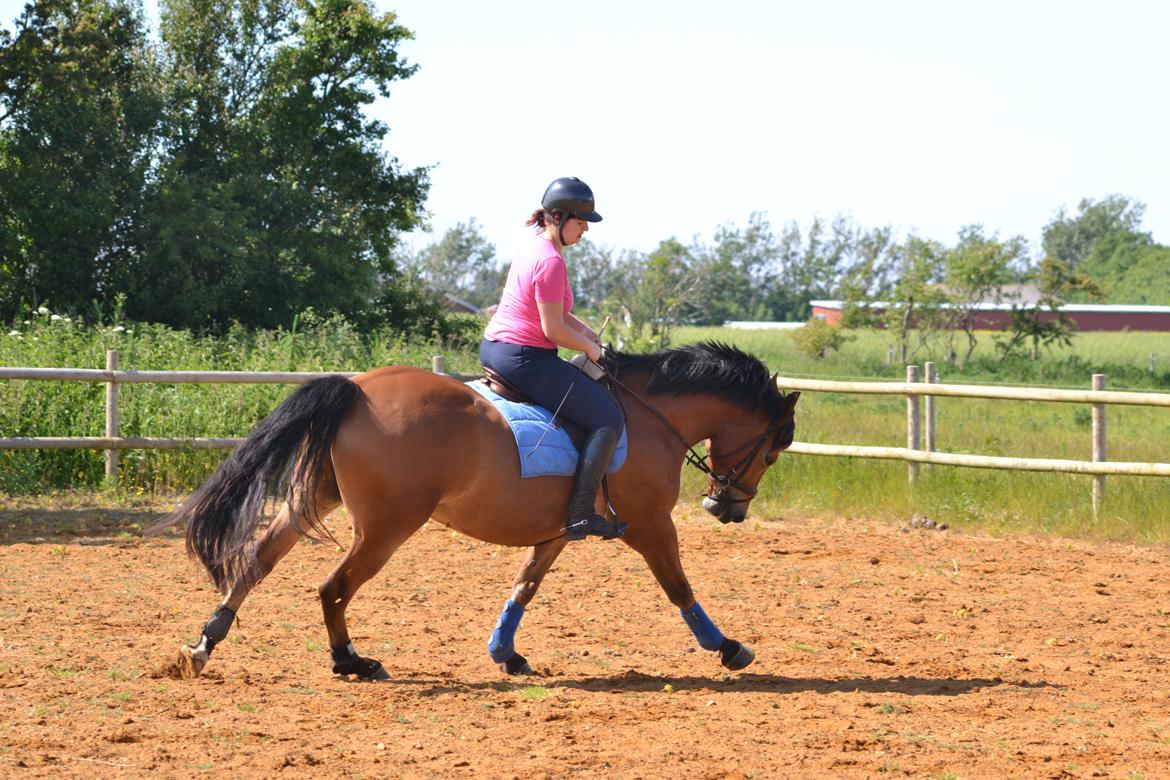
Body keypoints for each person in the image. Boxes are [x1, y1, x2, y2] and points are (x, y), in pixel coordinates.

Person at [480, 177, 627, 541]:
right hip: (525, 357)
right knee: (608, 417)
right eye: (581, 222)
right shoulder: (551, 262)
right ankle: (580, 515)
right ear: (558, 218)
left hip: (497, 346)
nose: (585, 230)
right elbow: (551, 330)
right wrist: (590, 349)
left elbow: (558, 313)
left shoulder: (535, 248)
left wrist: (587, 331)